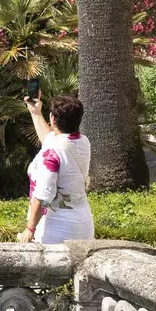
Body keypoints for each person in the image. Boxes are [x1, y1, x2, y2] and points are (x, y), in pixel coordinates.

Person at [19, 93, 93, 244]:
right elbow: (51, 139)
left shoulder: (52, 153)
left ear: (52, 119)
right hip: (83, 226)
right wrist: (36, 113)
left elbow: (43, 194)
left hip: (56, 231)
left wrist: (30, 228)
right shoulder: (82, 142)